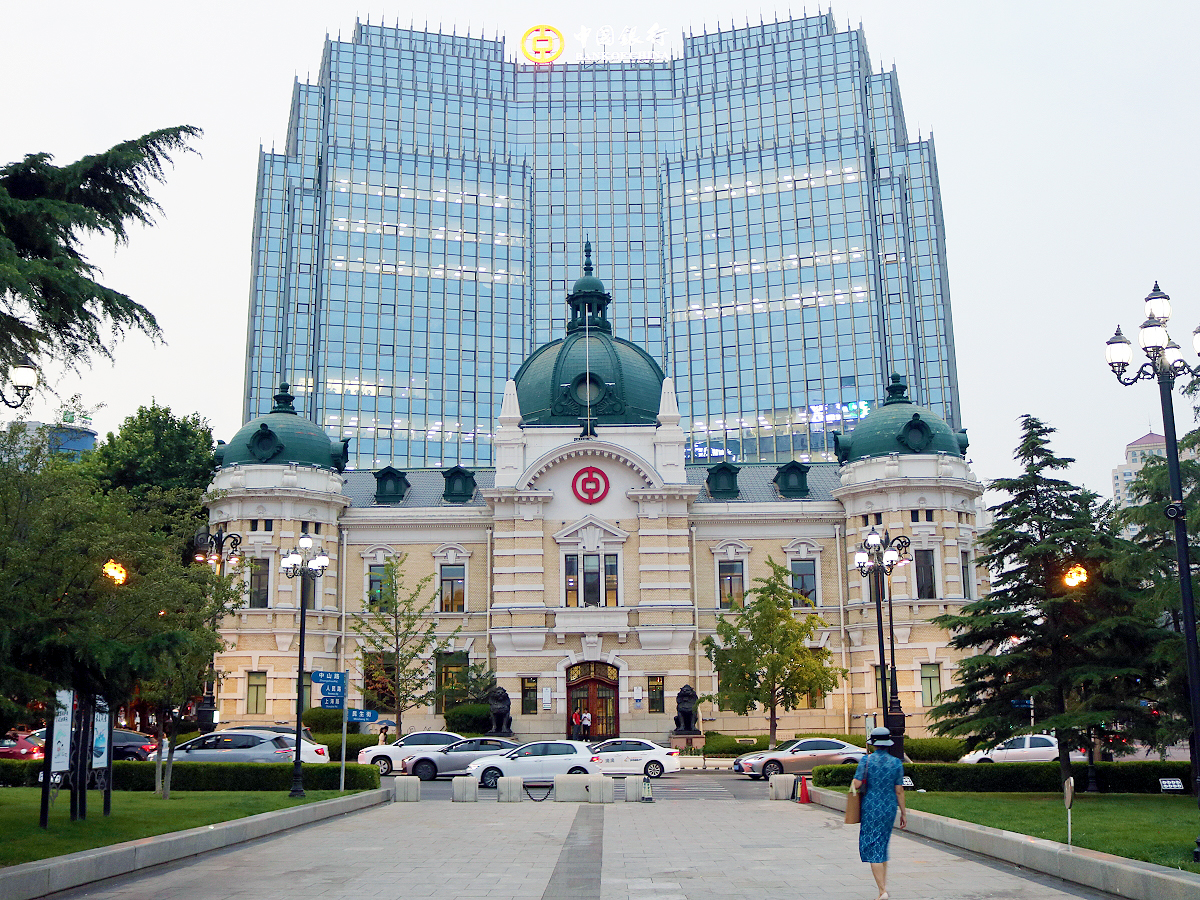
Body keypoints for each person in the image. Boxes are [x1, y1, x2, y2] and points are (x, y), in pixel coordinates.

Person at [851, 726, 907, 900]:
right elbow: (899, 790)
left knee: (874, 848)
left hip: (871, 807)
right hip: (889, 808)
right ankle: (882, 890)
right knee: (882, 845)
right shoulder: (896, 763)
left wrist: (853, 782)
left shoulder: (866, 761)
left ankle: (882, 891)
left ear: (873, 743)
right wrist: (903, 813)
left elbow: (857, 784)